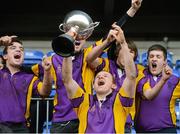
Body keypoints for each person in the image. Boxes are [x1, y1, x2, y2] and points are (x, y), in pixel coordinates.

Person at [30, 0, 143, 133]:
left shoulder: (89, 54)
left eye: (82, 35)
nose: (78, 37)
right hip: (62, 119)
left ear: (87, 37)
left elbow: (112, 33)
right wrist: (66, 45)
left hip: (87, 113)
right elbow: (26, 70)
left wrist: (132, 11)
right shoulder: (52, 59)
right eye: (74, 36)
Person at [62, 25, 136, 133]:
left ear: (114, 85)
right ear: (93, 85)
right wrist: (67, 46)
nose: (100, 76)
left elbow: (131, 76)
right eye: (97, 77)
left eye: (106, 76)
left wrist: (123, 43)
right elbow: (67, 80)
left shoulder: (121, 101)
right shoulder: (83, 101)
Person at [0, 35, 52, 133]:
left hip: (21, 128)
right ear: (5, 56)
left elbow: (45, 92)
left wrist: (47, 71)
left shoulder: (30, 78)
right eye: (13, 48)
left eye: (21, 49)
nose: (19, 50)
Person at [134, 44, 179, 133]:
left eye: (158, 57)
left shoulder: (175, 80)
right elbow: (148, 95)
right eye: (151, 56)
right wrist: (163, 79)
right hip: (143, 131)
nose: (154, 59)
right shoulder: (140, 75)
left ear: (165, 62)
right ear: (147, 61)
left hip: (167, 130)